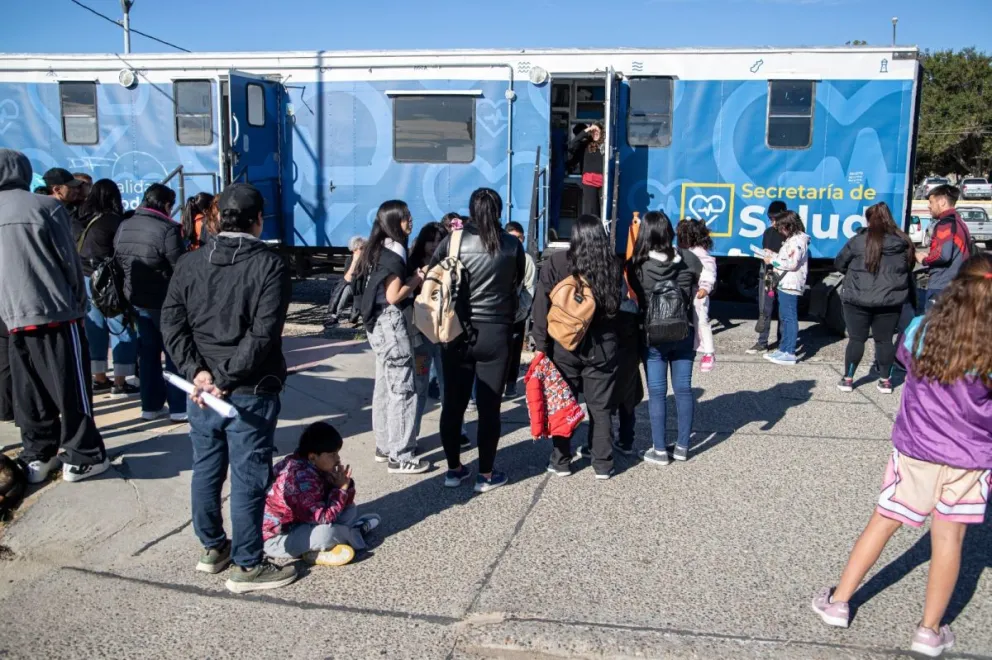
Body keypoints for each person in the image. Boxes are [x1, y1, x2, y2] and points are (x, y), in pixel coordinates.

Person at [811, 254, 992, 658]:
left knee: (885, 519)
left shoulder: (921, 330)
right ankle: (928, 631)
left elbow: (903, 360)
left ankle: (839, 601)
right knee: (950, 539)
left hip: (918, 448)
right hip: (972, 457)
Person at [161, 182, 296, 594]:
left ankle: (213, 548)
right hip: (248, 387)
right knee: (248, 476)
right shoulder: (270, 264)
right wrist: (222, 377)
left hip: (203, 388)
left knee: (206, 468)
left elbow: (171, 324)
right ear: (258, 220)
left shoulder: (191, 263)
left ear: (218, 218)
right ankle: (248, 564)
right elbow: (263, 333)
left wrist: (197, 372)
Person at [0, 149, 110, 483]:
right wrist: (78, 302)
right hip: (55, 311)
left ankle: (38, 454)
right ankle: (82, 456)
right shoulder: (46, 207)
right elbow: (69, 262)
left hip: (11, 315)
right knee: (72, 389)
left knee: (29, 391)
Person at [430, 188, 524, 491]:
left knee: (453, 405)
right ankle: (486, 474)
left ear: (471, 208)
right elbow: (517, 283)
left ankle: (454, 470)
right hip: (496, 332)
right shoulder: (511, 244)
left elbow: (434, 277)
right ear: (497, 209)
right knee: (489, 408)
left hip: (457, 330)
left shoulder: (452, 241)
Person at [533, 214, 620, 479]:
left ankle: (561, 461)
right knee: (600, 407)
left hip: (564, 346)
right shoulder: (612, 265)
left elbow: (541, 305)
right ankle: (602, 463)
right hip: (603, 347)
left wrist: (541, 344)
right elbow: (620, 307)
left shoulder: (557, 262)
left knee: (563, 403)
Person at [355, 200, 430, 475]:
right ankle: (401, 455)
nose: (410, 221)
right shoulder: (395, 251)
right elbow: (394, 295)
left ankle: (385, 446)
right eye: (405, 217)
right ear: (392, 222)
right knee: (403, 388)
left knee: (385, 386)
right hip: (390, 324)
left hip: (375, 324)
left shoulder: (377, 247)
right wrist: (417, 278)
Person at [627, 211, 702, 465]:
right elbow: (697, 283)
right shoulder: (689, 259)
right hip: (683, 329)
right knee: (684, 389)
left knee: (657, 392)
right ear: (669, 231)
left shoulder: (636, 265)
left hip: (653, 334)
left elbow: (636, 296)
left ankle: (659, 450)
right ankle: (682, 447)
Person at [114, 183, 188, 422]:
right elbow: (180, 267)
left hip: (136, 299)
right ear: (166, 205)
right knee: (175, 354)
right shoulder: (168, 229)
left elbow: (118, 258)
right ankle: (179, 407)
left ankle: (150, 406)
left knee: (147, 354)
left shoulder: (125, 225)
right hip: (166, 301)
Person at [263, 421, 380, 567]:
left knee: (349, 509)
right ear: (313, 457)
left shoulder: (313, 466)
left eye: (337, 453)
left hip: (303, 523)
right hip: (278, 539)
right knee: (325, 534)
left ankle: (317, 551)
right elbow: (323, 519)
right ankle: (355, 533)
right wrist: (340, 490)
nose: (338, 459)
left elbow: (334, 505)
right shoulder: (300, 479)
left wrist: (345, 486)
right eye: (332, 454)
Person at [834, 202, 914, 394]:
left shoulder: (857, 241)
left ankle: (848, 379)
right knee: (884, 341)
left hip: (857, 297)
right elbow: (908, 268)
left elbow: (839, 263)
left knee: (856, 339)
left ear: (869, 220)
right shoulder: (903, 242)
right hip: (890, 299)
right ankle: (886, 381)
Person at [76, 179, 137, 397]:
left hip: (85, 278)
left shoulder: (85, 219)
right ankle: (120, 382)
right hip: (108, 281)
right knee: (120, 326)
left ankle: (99, 377)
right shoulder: (114, 221)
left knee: (95, 329)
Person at [762, 211, 809, 366]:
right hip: (785, 283)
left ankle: (789, 351)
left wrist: (772, 260)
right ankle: (783, 349)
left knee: (789, 318)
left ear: (789, 225)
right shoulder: (793, 239)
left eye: (781, 227)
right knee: (785, 317)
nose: (779, 230)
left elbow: (792, 263)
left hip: (791, 283)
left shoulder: (797, 241)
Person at [917, 185, 973, 311]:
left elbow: (943, 255)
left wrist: (924, 259)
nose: (929, 206)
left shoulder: (945, 224)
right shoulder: (959, 222)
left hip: (942, 287)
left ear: (942, 202)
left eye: (931, 202)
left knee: (935, 327)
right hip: (958, 284)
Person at [677, 218, 717, 372]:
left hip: (698, 291)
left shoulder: (699, 252)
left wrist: (705, 287)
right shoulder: (684, 250)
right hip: (687, 289)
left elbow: (709, 271)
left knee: (701, 319)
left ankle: (709, 352)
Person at [747, 200, 786, 354]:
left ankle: (782, 342)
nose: (773, 222)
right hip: (769, 273)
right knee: (765, 308)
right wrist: (764, 254)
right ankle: (762, 342)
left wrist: (775, 257)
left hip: (783, 274)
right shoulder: (768, 232)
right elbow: (766, 249)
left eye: (775, 218)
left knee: (783, 310)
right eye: (771, 219)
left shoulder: (790, 234)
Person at [504, 221, 536, 398]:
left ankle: (511, 383)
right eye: (513, 237)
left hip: (516, 314)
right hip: (499, 313)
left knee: (514, 350)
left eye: (519, 238)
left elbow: (529, 290)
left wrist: (520, 312)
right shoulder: (501, 255)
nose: (517, 241)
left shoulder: (527, 260)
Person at [326, 236, 365, 328]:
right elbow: (347, 279)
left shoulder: (369, 260)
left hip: (364, 287)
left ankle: (355, 317)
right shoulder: (350, 260)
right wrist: (355, 262)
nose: (363, 251)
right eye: (361, 249)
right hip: (354, 286)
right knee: (345, 288)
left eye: (364, 248)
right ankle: (335, 315)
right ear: (354, 250)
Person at [568, 123, 605, 217]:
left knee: (603, 210)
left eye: (597, 131)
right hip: (589, 182)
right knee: (591, 211)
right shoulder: (585, 145)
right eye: (593, 131)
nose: (595, 133)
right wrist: (587, 130)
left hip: (604, 181)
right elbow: (572, 145)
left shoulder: (605, 145)